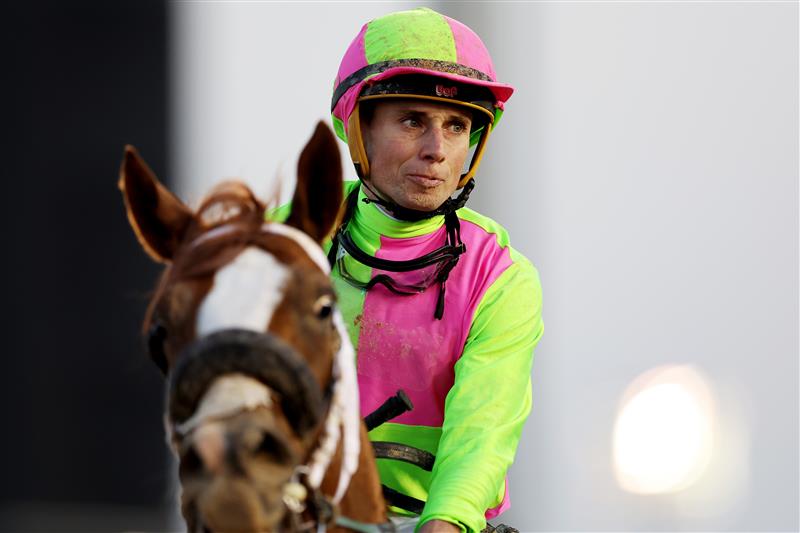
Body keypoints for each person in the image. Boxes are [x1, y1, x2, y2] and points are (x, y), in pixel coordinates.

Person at [324, 7, 543, 533]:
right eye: (412, 121)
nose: (437, 151)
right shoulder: (295, 236)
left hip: (429, 521)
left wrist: (443, 524)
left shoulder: (501, 277)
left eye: (456, 126)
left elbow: (482, 433)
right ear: (358, 128)